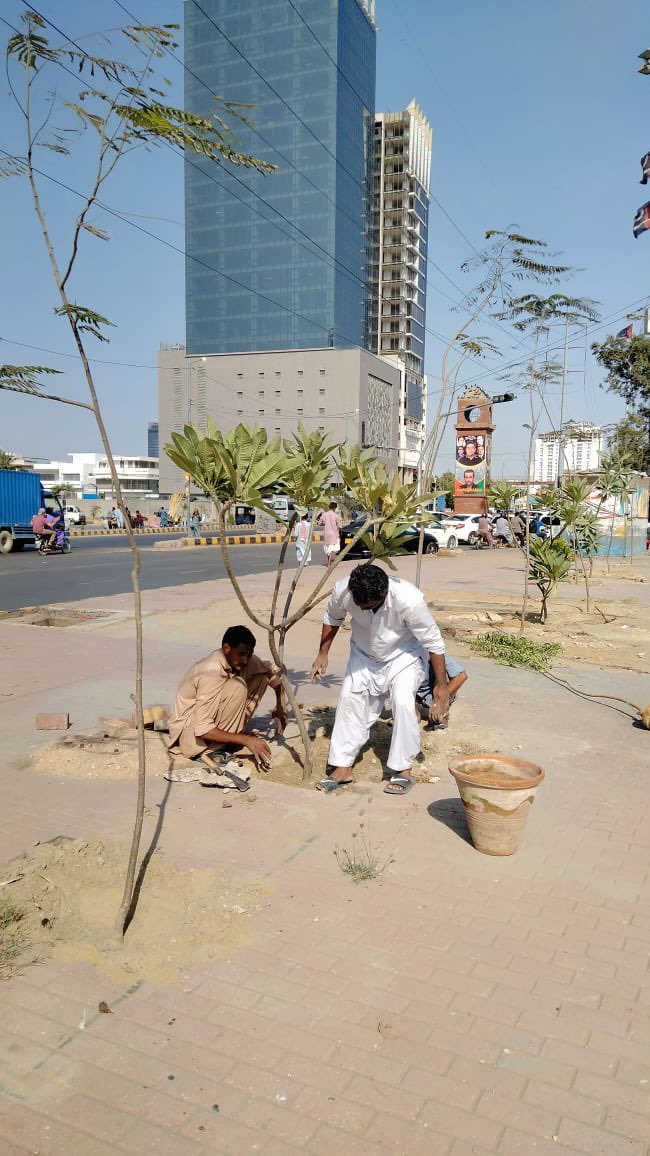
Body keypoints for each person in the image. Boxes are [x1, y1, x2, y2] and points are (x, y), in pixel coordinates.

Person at [310, 563, 449, 796]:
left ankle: (403, 769)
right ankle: (343, 768)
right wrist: (322, 654)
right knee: (348, 700)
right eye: (359, 605)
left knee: (402, 702)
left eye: (370, 606)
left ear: (384, 593)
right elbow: (332, 618)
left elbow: (433, 642)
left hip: (403, 655)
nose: (363, 609)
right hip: (363, 655)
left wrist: (441, 685)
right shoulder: (343, 591)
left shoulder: (409, 599)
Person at [167, 625, 287, 784]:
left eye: (249, 654)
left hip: (209, 721)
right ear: (226, 649)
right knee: (238, 686)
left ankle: (228, 738)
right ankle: (212, 750)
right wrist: (246, 740)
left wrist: (280, 705)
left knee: (262, 677)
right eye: (242, 654)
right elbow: (201, 728)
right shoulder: (210, 672)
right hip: (190, 736)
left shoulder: (243, 660)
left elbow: (272, 671)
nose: (246, 660)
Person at [416, 655, 468, 730]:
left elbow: (461, 676)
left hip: (432, 695)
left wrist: (439, 702)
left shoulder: (434, 654)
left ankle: (442, 713)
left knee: (437, 717)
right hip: (412, 696)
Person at [318, 501, 342, 568]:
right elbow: (339, 525)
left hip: (326, 533)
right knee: (331, 549)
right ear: (335, 508)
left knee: (328, 548)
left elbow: (320, 523)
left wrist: (325, 524)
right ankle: (329, 564)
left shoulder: (324, 514)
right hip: (334, 533)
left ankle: (329, 561)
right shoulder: (336, 515)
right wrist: (339, 531)